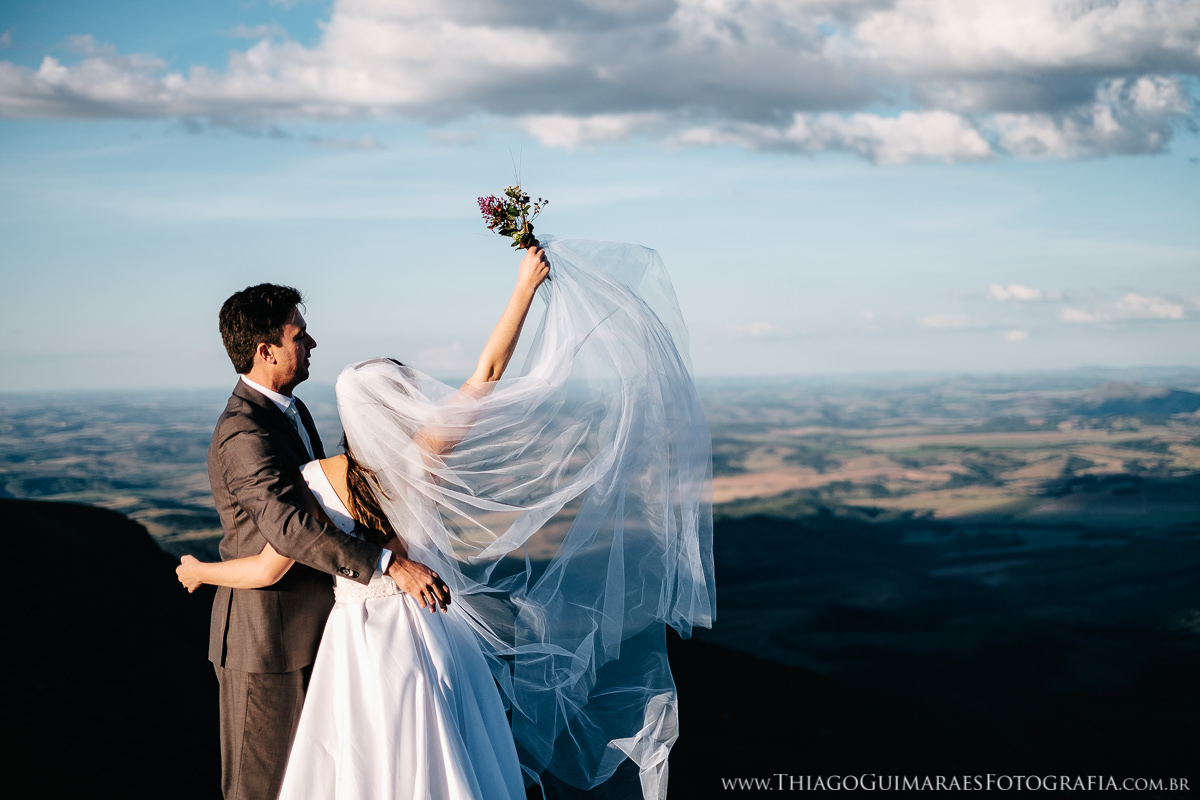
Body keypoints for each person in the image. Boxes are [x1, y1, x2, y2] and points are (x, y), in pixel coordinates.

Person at [192, 237, 716, 800]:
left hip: (353, 643)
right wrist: (523, 288)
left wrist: (198, 571)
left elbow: (275, 559)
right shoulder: (423, 458)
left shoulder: (318, 478)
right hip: (431, 627)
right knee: (443, 756)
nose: (310, 341)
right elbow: (486, 373)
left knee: (359, 767)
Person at [203, 281, 453, 800]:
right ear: (265, 351)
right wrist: (390, 564)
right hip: (270, 641)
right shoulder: (244, 432)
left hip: (322, 627)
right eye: (299, 335)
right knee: (262, 787)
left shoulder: (292, 412)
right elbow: (290, 528)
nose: (312, 342)